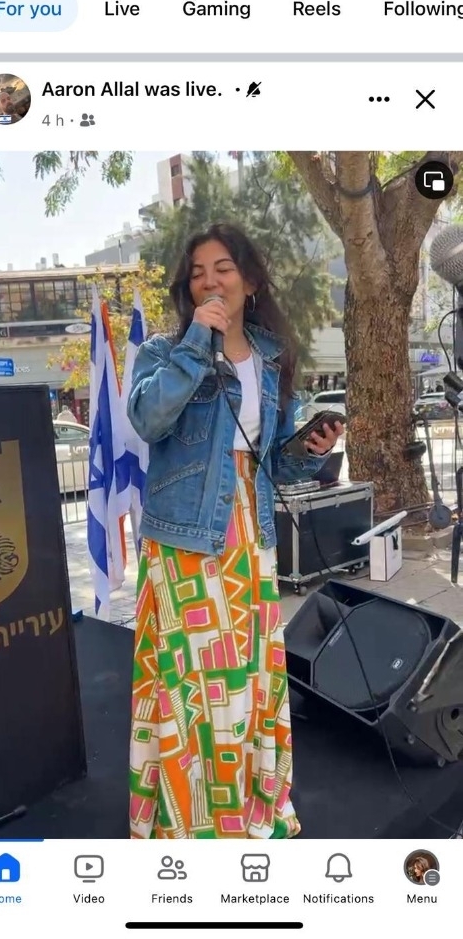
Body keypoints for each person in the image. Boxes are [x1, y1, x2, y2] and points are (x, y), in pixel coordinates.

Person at [127, 223, 344, 839]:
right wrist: (200, 340)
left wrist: (309, 450)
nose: (210, 281)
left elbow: (271, 459)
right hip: (185, 539)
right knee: (189, 685)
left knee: (244, 679)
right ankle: (187, 820)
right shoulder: (165, 351)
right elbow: (148, 418)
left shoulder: (272, 358)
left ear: (249, 281)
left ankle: (244, 804)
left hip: (251, 537)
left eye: (222, 268)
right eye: (198, 273)